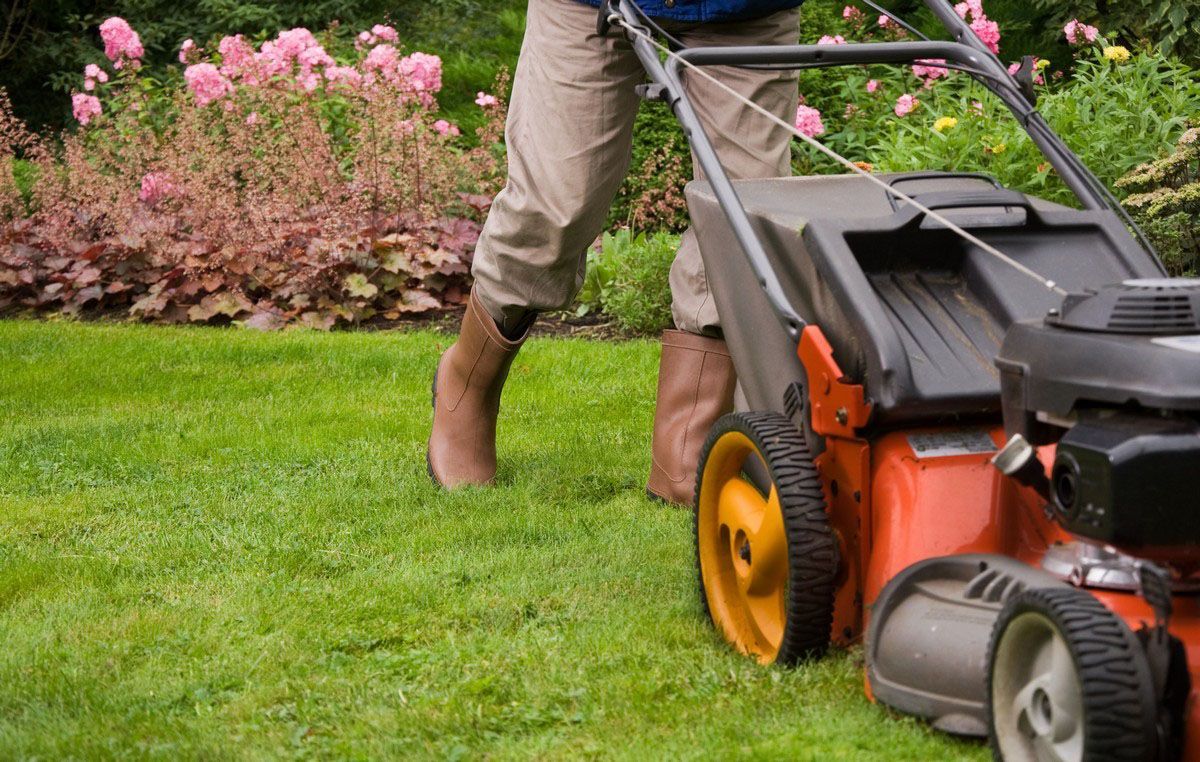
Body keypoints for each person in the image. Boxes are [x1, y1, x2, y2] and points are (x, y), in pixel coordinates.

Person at [427, 0, 803, 502]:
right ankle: (466, 383)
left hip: (745, 10)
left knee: (740, 214)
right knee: (555, 205)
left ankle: (687, 444)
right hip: (585, 6)